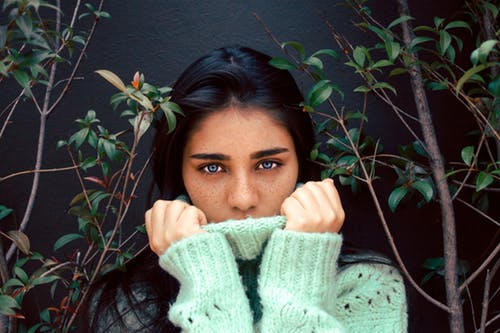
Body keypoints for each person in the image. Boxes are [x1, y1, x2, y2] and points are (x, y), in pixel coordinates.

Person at [86, 46, 407, 332]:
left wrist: (301, 270)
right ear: (179, 172)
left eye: (267, 164)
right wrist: (206, 284)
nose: (243, 198)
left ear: (300, 163)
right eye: (212, 168)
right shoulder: (129, 305)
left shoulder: (366, 287)